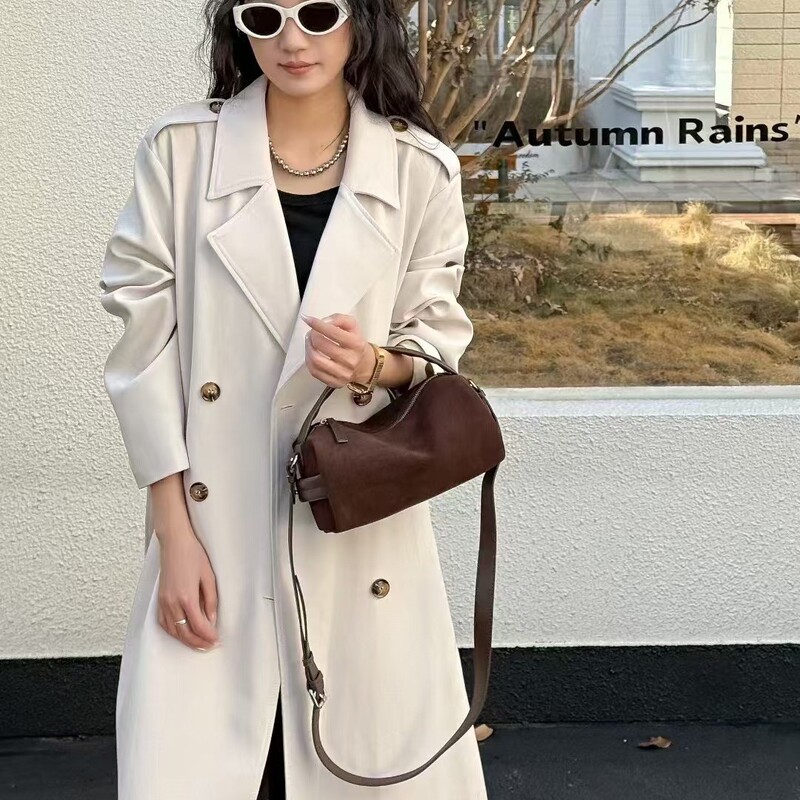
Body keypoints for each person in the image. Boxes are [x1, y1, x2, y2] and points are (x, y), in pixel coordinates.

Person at [98, 0, 485, 798]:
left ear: (359, 20)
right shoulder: (181, 153)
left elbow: (437, 340)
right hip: (216, 514)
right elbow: (143, 358)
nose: (292, 39)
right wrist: (174, 535)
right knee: (207, 761)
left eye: (316, 12)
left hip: (357, 513)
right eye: (264, 16)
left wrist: (375, 364)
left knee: (359, 750)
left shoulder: (419, 168)